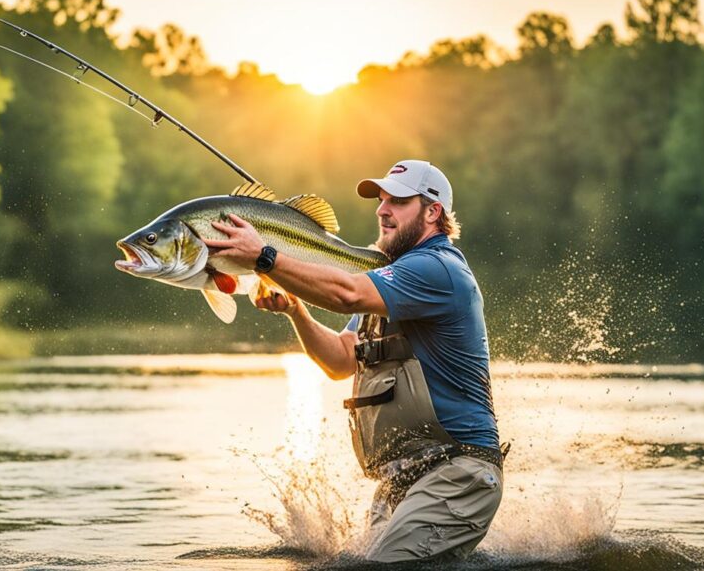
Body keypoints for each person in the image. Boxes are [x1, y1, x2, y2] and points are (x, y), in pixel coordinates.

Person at [204, 160, 503, 563]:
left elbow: (346, 293)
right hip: (402, 479)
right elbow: (342, 360)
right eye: (381, 200)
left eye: (398, 201)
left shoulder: (438, 269)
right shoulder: (390, 277)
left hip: (458, 472)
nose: (382, 210)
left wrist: (265, 257)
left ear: (433, 212)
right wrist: (297, 311)